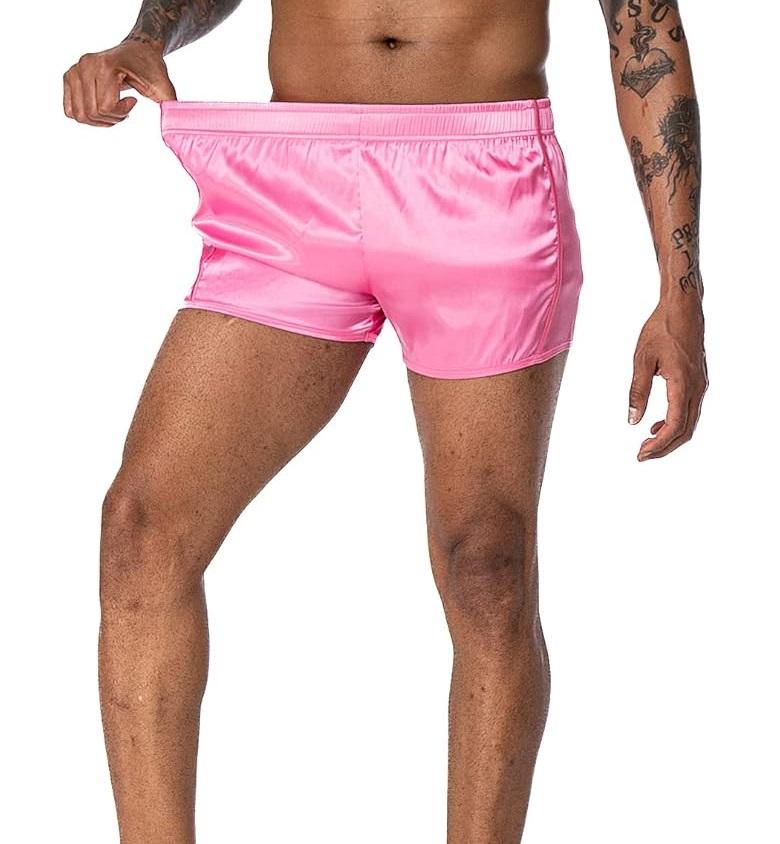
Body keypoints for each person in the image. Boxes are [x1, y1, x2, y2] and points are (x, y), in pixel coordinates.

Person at [63, 1, 708, 841]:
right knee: (142, 528)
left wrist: (679, 291)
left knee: (488, 568)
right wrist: (148, 35)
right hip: (293, 185)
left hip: (483, 179)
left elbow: (642, 26)